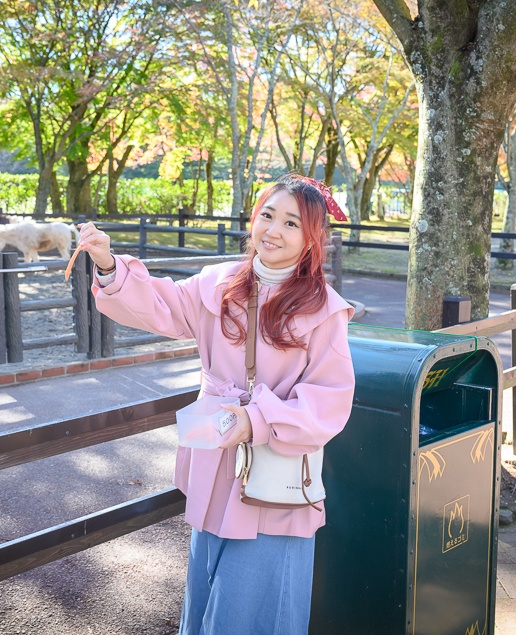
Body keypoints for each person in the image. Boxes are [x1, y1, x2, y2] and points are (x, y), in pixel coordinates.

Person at [76, 174, 356, 635]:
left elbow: (330, 399)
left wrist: (259, 418)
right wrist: (108, 264)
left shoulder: (323, 308)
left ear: (312, 240)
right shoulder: (220, 283)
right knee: (207, 590)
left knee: (254, 604)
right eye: (267, 215)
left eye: (291, 223)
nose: (273, 230)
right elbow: (160, 304)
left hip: (273, 474)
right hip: (215, 459)